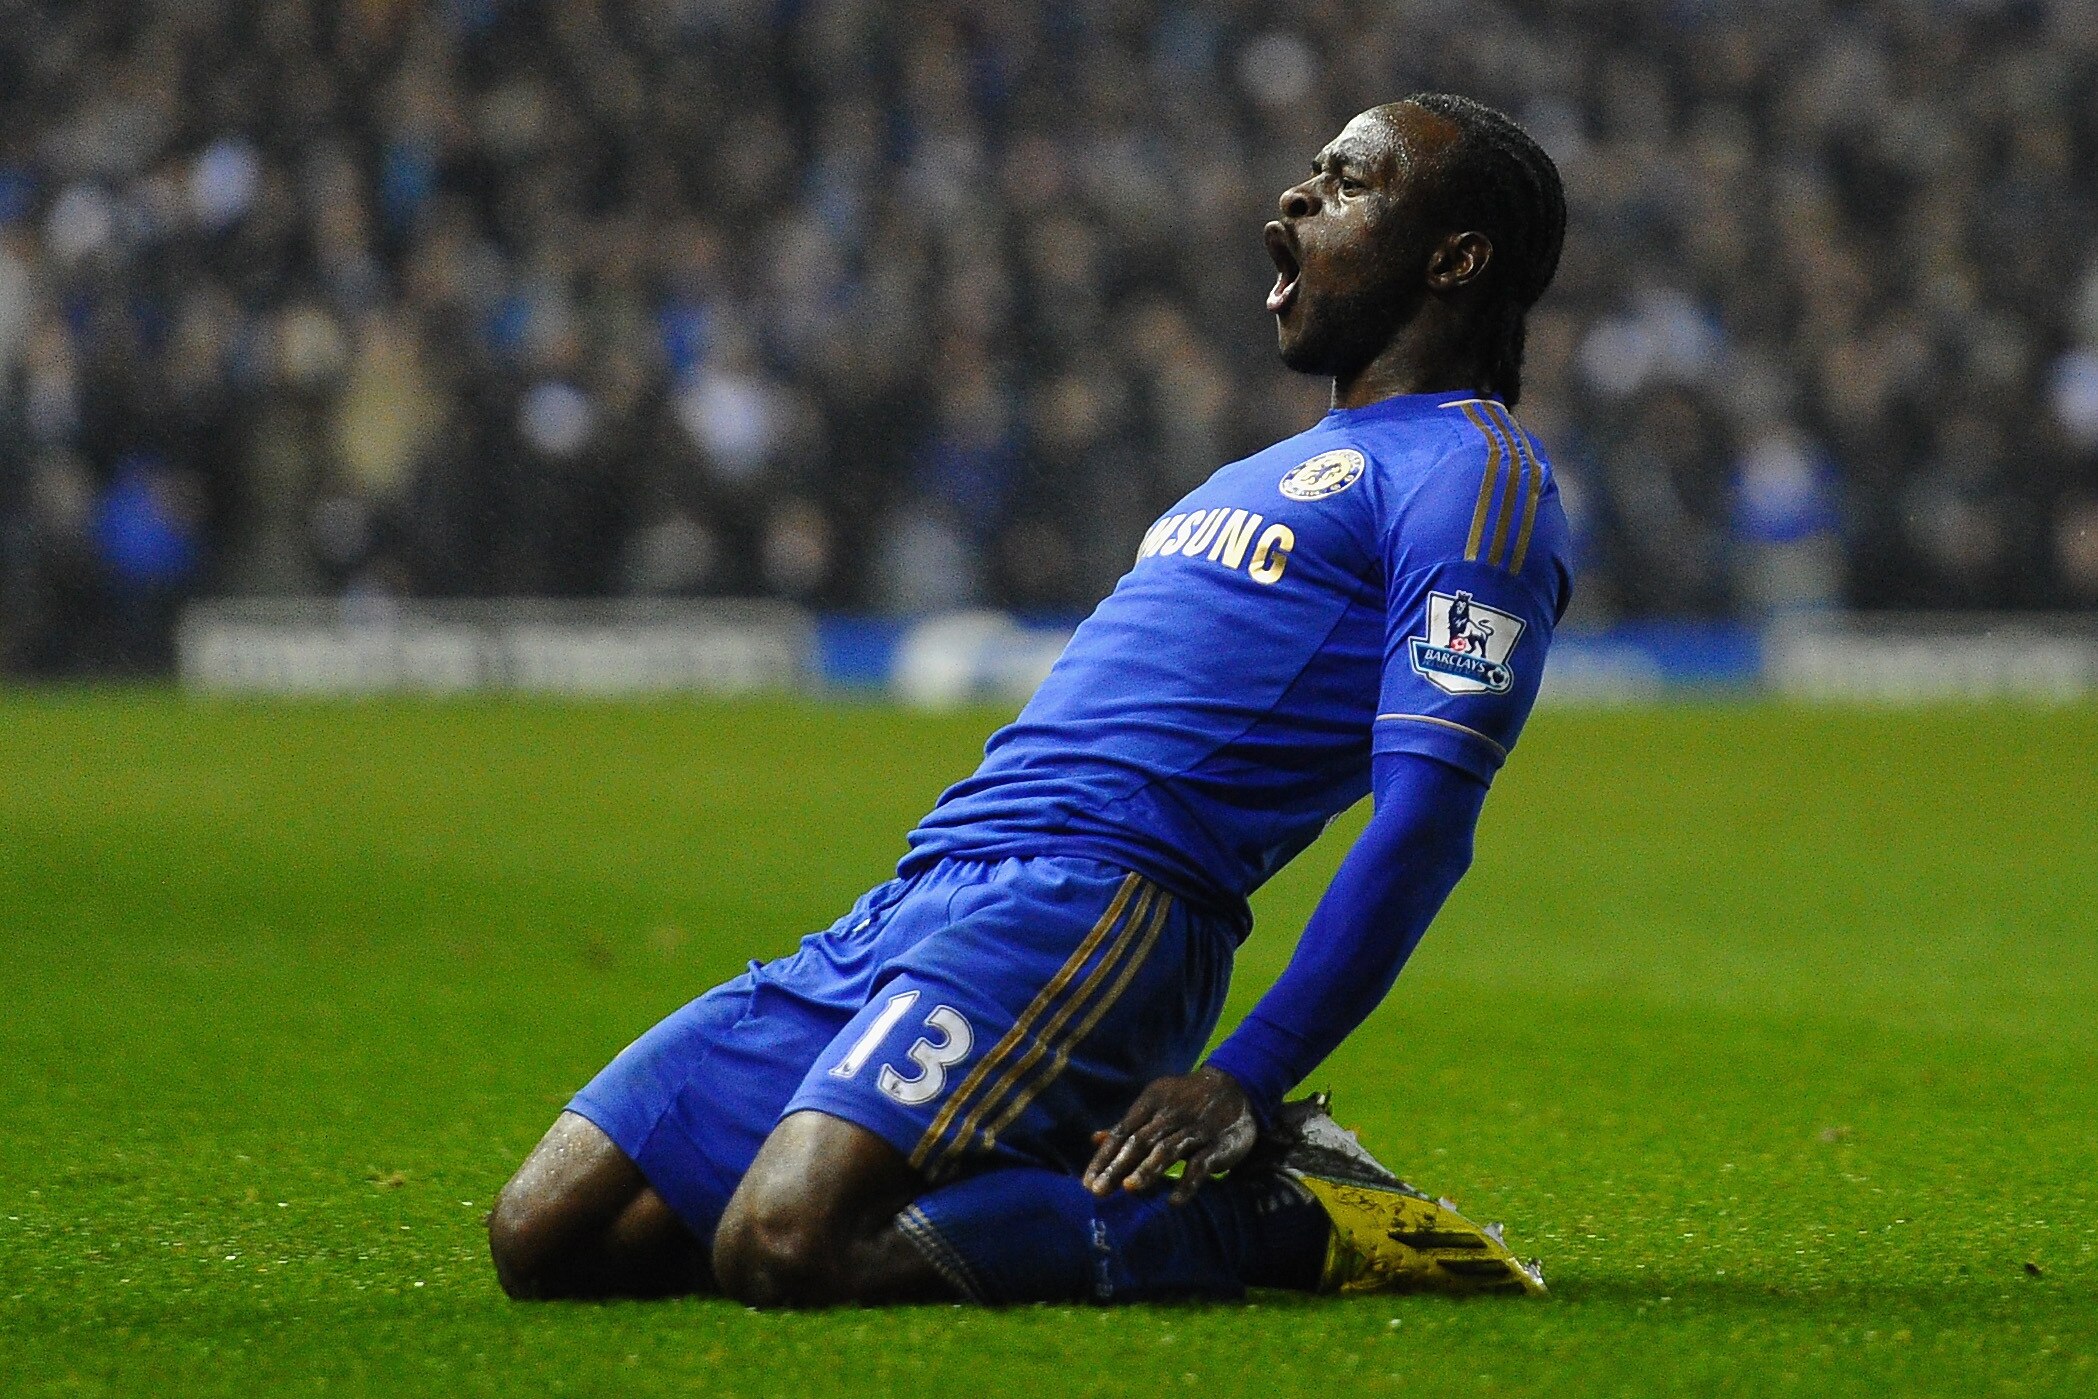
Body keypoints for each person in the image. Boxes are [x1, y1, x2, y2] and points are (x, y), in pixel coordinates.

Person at [488, 93, 1571, 1308]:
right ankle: (1024, 1179)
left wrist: (1245, 1076)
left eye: (1350, 181)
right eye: (1313, 170)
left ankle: (1272, 1212)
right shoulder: (1265, 468)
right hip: (927, 887)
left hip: (1097, 908)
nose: (1297, 195)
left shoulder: (1476, 475)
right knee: (550, 1234)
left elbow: (1424, 822)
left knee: (789, 1245)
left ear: (1455, 259)